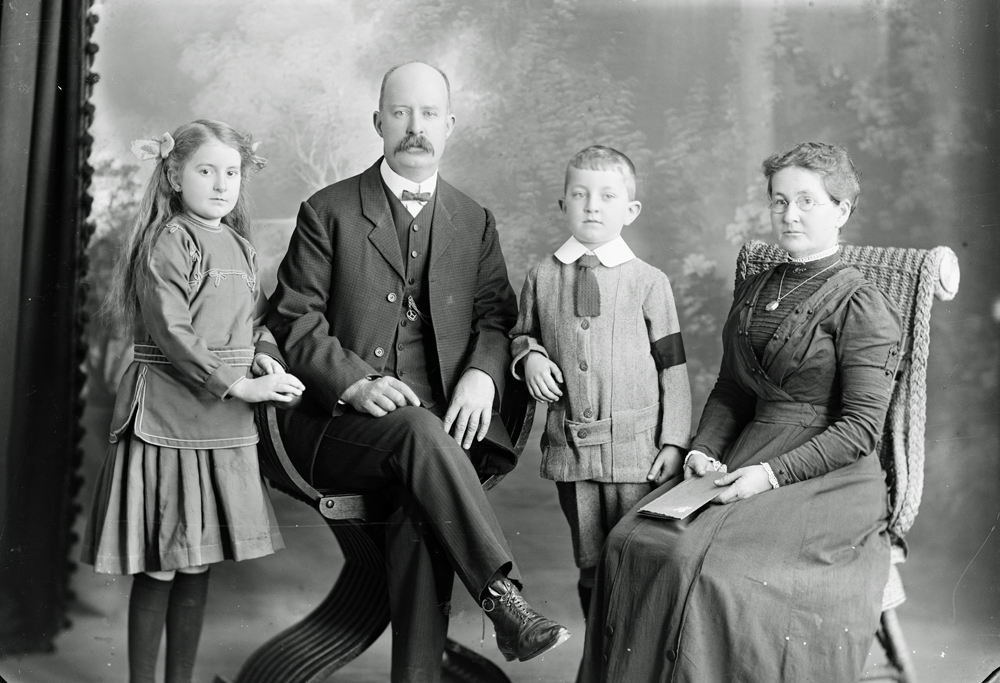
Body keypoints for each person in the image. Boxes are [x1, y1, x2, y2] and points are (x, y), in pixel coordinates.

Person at [265, 62, 569, 682]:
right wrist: (352, 380)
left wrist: (485, 374)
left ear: (450, 126)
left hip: (440, 436)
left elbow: (495, 317)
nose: (415, 127)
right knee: (417, 433)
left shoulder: (473, 219)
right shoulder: (328, 210)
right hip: (337, 426)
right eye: (401, 112)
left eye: (429, 113)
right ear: (378, 122)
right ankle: (503, 599)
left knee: (416, 504)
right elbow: (295, 318)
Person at [579, 142, 903, 682]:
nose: (790, 215)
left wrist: (768, 475)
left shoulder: (862, 304)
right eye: (779, 202)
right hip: (746, 450)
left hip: (828, 476)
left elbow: (862, 428)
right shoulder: (757, 288)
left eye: (807, 202)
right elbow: (732, 388)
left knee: (711, 569)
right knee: (631, 540)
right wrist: (704, 448)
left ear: (842, 210)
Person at [81, 120, 305, 683]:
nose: (222, 183)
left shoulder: (239, 244)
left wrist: (261, 355)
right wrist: (238, 385)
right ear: (176, 176)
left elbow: (247, 323)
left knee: (197, 559)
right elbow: (174, 334)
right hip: (168, 418)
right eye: (206, 170)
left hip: (220, 424)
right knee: (162, 564)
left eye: (231, 172)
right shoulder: (167, 242)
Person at [509, 145, 691, 620]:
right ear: (562, 204)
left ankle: (638, 657)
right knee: (591, 562)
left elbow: (673, 367)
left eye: (607, 196)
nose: (592, 206)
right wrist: (528, 356)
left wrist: (674, 440)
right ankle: (598, 659)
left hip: (639, 454)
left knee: (637, 557)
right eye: (580, 194)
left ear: (629, 211)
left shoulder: (650, 282)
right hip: (573, 452)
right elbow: (522, 333)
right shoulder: (542, 276)